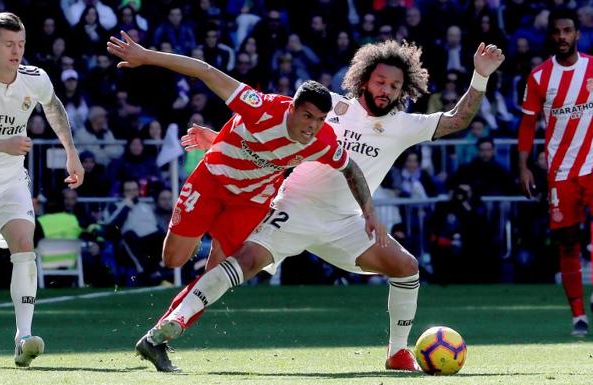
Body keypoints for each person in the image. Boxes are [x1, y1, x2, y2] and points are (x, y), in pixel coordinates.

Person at [135, 40, 505, 372]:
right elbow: (273, 130)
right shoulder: (329, 107)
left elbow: (458, 119)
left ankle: (397, 353)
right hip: (292, 208)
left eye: (394, 85)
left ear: (402, 89)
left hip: (347, 224)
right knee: (239, 264)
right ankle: (163, 331)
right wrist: (219, 139)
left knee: (406, 267)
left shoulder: (405, 124)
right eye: (380, 81)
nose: (386, 90)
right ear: (364, 79)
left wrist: (480, 76)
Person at [106, 30, 383, 365]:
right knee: (173, 259)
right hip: (211, 182)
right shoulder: (260, 106)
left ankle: (160, 336)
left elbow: (350, 168)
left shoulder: (322, 140)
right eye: (307, 116)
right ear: (292, 108)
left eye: (320, 120)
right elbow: (206, 71)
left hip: (250, 202)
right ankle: (193, 240)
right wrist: (146, 55)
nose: (312, 126)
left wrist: (368, 210)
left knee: (218, 275)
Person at [0, 13, 84, 367]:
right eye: (8, 44)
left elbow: (53, 106)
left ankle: (23, 337)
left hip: (9, 181)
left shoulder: (35, 78)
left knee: (24, 243)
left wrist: (71, 152)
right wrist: (3, 144)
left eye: (20, 44)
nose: (16, 51)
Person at [518, 9, 593, 337]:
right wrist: (523, 166)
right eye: (557, 32)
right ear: (551, 36)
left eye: (567, 31)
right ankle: (578, 314)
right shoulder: (539, 77)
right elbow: (527, 123)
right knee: (567, 241)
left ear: (577, 34)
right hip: (560, 173)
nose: (562, 36)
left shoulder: (592, 68)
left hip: (592, 167)